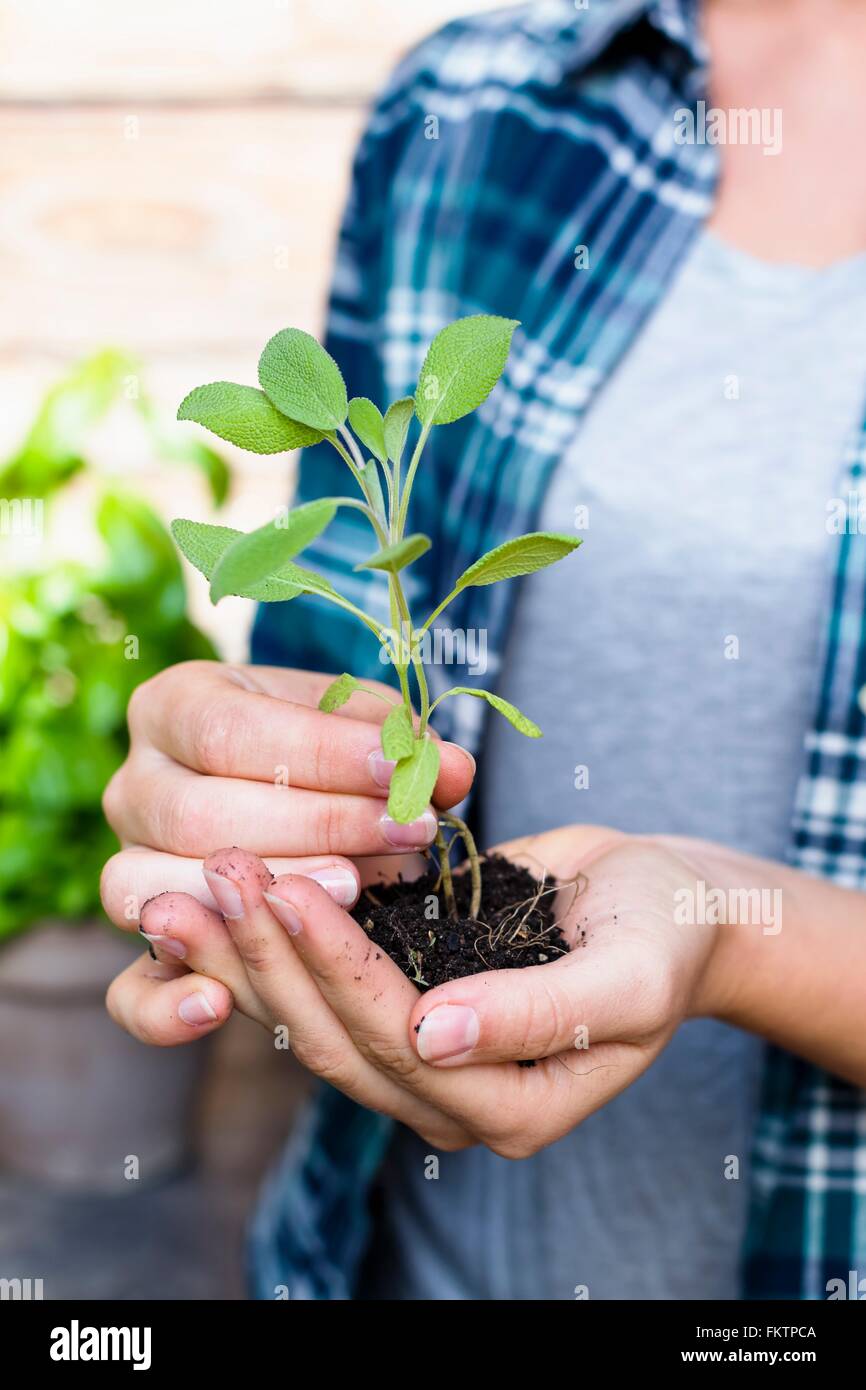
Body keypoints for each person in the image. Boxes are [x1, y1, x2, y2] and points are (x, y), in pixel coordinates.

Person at [100, 0, 866, 1300]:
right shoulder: (477, 105)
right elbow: (330, 661)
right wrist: (232, 786)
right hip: (376, 1264)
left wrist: (737, 937)